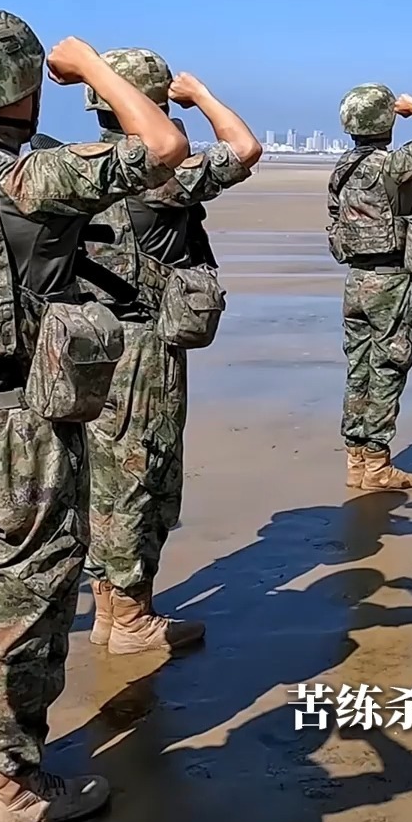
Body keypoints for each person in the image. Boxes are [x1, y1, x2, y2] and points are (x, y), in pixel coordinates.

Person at [0, 14, 186, 822]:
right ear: (21, 88)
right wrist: (91, 66)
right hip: (23, 427)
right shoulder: (26, 179)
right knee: (27, 605)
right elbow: (162, 146)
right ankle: (13, 784)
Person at [74, 49, 260, 655]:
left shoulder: (71, 167)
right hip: (138, 345)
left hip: (78, 344)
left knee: (99, 477)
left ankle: (109, 609)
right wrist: (200, 95)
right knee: (141, 473)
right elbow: (244, 148)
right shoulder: (157, 176)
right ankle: (132, 620)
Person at [327, 84, 412, 490]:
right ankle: (377, 466)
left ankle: (355, 460)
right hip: (389, 280)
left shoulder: (342, 168)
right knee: (388, 367)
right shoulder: (392, 164)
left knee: (358, 369)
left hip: (356, 279)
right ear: (386, 121)